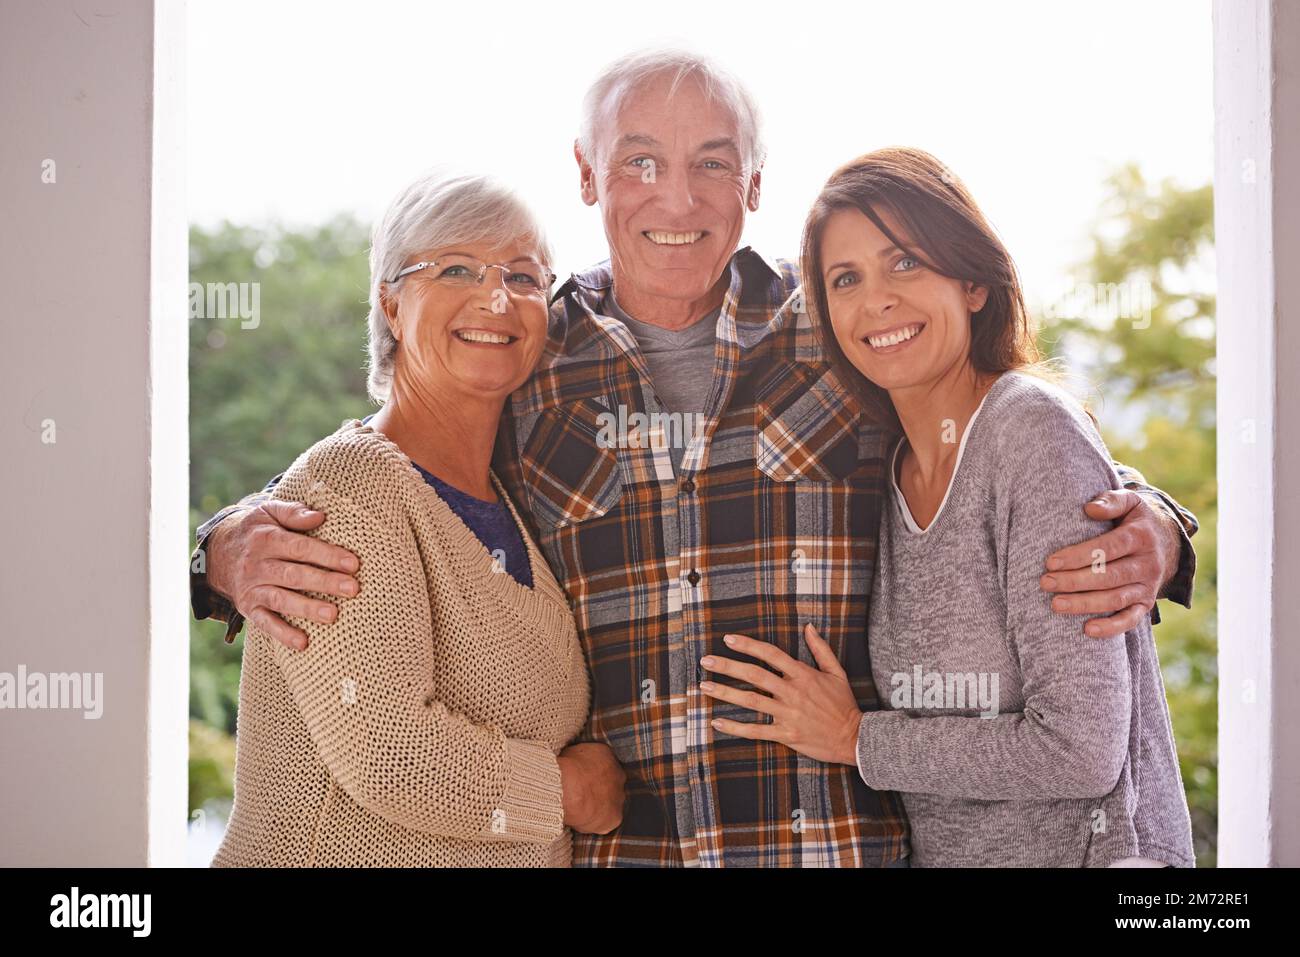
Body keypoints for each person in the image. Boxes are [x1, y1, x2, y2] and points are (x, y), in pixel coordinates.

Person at [193, 48, 1198, 867]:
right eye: (639, 162)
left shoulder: (839, 335)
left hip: (832, 849)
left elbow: (998, 427)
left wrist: (1151, 521)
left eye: (712, 162)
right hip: (629, 852)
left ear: (754, 183)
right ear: (586, 174)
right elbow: (397, 474)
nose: (675, 195)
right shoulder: (529, 353)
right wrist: (221, 550)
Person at [700, 147, 1196, 867]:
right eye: (847, 279)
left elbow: (1079, 750)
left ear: (971, 280)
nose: (878, 299)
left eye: (905, 262)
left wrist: (856, 738)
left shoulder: (1029, 431)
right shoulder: (887, 463)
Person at [211, 169, 624, 867]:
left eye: (524, 277)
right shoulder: (351, 483)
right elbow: (389, 754)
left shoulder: (510, 507)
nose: (496, 297)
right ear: (391, 304)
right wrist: (568, 790)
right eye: (456, 269)